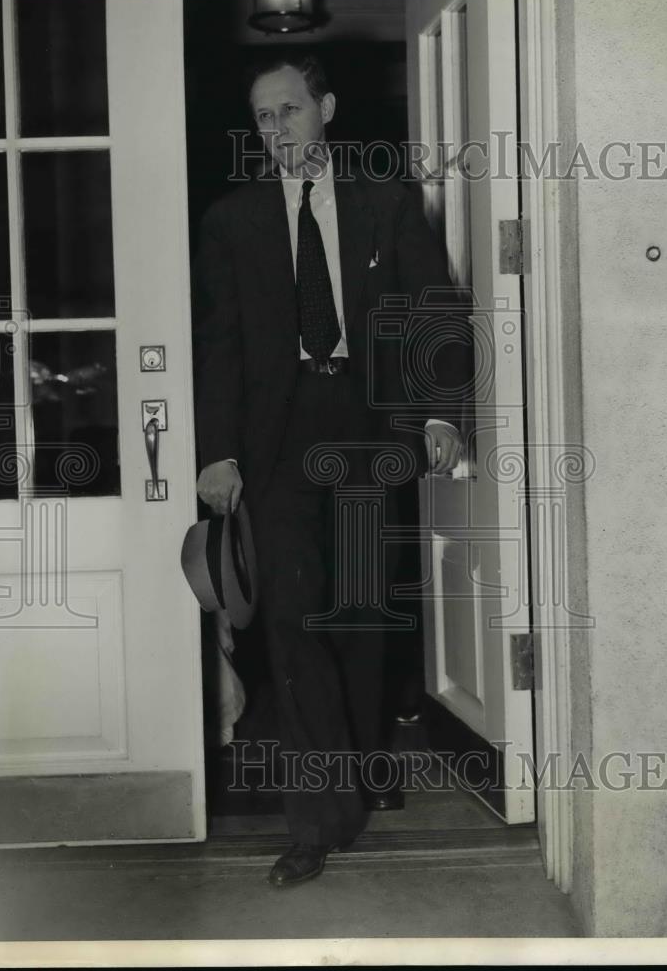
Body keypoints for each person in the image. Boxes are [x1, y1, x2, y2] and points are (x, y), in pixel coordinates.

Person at [192, 52, 466, 887]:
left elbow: (432, 309)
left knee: (359, 615)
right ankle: (315, 821)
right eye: (263, 116)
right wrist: (217, 452)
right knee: (293, 626)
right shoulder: (232, 220)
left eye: (289, 110)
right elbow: (219, 343)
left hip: (365, 421)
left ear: (327, 110)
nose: (275, 129)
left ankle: (361, 767)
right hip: (275, 439)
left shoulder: (385, 205)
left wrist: (437, 412)